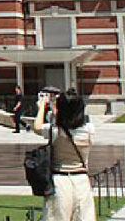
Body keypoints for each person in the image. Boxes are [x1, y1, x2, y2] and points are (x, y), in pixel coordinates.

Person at [34, 88, 95, 221]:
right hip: (82, 180)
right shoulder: (88, 131)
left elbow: (37, 127)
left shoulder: (55, 132)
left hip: (59, 181)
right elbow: (72, 119)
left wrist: (42, 107)